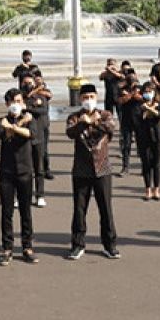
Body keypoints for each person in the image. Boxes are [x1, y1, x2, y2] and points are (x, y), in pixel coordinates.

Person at [65, 84, 119, 260]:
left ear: (97, 97)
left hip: (102, 169)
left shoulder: (106, 114)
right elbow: (70, 132)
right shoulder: (74, 117)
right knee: (79, 210)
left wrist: (94, 121)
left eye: (91, 96)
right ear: (80, 99)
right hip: (81, 170)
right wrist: (83, 123)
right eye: (85, 97)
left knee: (106, 209)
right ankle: (78, 244)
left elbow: (110, 127)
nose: (88, 100)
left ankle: (110, 245)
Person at [0, 88, 36, 265]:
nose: (15, 105)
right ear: (6, 104)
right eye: (12, 102)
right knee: (7, 211)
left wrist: (15, 126)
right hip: (6, 172)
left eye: (18, 101)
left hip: (25, 171)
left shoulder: (29, 119)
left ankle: (27, 246)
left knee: (26, 211)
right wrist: (18, 126)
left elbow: (30, 134)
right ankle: (7, 248)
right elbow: (5, 135)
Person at [137, 81, 160, 201]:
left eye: (150, 92)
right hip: (143, 137)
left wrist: (151, 110)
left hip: (157, 137)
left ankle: (157, 188)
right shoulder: (139, 105)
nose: (148, 94)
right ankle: (148, 188)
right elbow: (139, 118)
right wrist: (148, 110)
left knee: (156, 163)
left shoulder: (159, 104)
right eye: (146, 92)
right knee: (146, 164)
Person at [23, 75, 50, 205]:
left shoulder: (40, 96)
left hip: (38, 136)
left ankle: (40, 195)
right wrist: (33, 106)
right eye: (25, 83)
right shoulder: (19, 97)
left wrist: (28, 108)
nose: (27, 85)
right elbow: (17, 110)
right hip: (23, 139)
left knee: (39, 169)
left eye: (30, 82)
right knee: (24, 170)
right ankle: (22, 196)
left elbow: (43, 110)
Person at [115, 70, 142, 177]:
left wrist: (133, 95)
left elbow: (142, 98)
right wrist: (131, 94)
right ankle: (125, 167)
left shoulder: (141, 88)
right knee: (126, 145)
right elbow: (120, 101)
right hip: (126, 120)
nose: (131, 80)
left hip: (139, 120)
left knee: (141, 145)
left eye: (133, 78)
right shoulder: (121, 89)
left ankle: (144, 167)